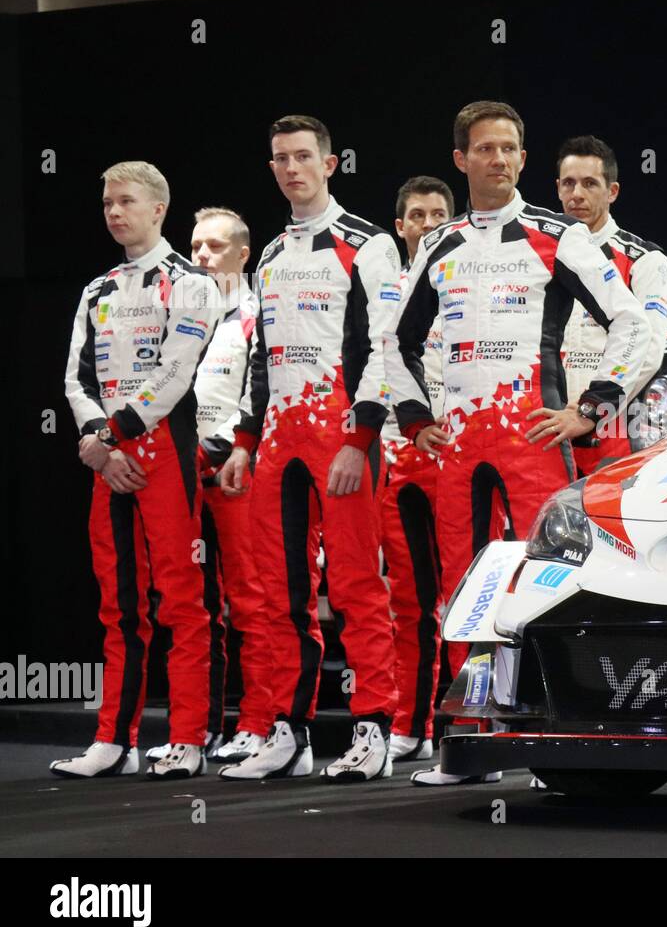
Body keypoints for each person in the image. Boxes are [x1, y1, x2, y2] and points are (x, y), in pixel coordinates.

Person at [384, 100, 651, 785]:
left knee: (550, 584)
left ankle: (549, 742)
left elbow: (632, 323)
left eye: (508, 148)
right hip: (459, 450)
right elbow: (395, 342)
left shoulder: (557, 235)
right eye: (484, 149)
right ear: (461, 159)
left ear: (523, 159)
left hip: (535, 440)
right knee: (461, 589)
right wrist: (417, 420)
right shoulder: (439, 245)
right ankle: (470, 745)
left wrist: (592, 408)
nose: (497, 159)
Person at [217, 115, 402, 782]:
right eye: (280, 159)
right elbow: (260, 358)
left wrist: (360, 437)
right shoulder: (268, 254)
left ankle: (373, 729)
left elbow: (385, 345)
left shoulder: (369, 244)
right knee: (279, 592)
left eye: (303, 157)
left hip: (342, 436)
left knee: (356, 583)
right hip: (277, 442)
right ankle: (288, 732)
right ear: (272, 169)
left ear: (330, 164)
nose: (291, 168)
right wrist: (243, 441)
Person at [55, 161, 221, 780]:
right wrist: (100, 444)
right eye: (106, 204)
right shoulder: (95, 290)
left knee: (183, 600)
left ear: (158, 209)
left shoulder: (193, 283)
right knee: (119, 606)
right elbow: (76, 378)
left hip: (167, 454)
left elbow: (176, 375)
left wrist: (110, 435)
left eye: (125, 202)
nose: (114, 213)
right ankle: (113, 740)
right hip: (111, 461)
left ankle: (187, 737)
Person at [145, 207, 273, 765]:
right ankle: (197, 730)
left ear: (243, 254)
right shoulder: (174, 312)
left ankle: (259, 723)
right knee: (191, 604)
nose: (201, 256)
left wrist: (218, 450)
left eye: (215, 246)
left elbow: (262, 391)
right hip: (179, 472)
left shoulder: (258, 312)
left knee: (252, 600)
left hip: (236, 473)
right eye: (195, 246)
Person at [379, 176, 456, 762]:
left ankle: (467, 726)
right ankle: (412, 724)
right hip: (396, 461)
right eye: (417, 216)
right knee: (409, 600)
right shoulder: (380, 286)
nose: (427, 224)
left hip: (457, 458)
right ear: (401, 225)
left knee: (464, 596)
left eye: (437, 215)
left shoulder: (468, 281)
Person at [557, 135, 667, 475]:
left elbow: (649, 352)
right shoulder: (544, 256)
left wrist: (590, 411)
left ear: (612, 192)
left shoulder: (646, 260)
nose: (576, 194)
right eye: (568, 183)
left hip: (612, 431)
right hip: (552, 426)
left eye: (590, 184)